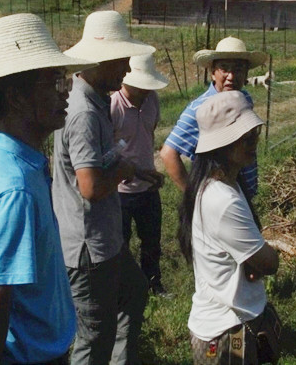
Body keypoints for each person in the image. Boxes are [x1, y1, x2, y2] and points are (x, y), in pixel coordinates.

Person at [0, 13, 95, 364]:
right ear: (16, 98)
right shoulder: (16, 189)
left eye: (64, 80)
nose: (66, 91)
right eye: (54, 82)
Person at [53, 10, 157, 365]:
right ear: (100, 60)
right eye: (121, 59)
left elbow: (96, 162)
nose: (127, 68)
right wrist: (124, 170)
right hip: (89, 247)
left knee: (134, 292)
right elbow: (91, 187)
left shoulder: (94, 101)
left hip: (104, 238)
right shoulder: (84, 112)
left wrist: (135, 168)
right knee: (95, 336)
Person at [178, 91, 279, 364]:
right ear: (222, 144)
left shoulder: (222, 183)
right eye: (246, 137)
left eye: (255, 133)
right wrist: (271, 250)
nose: (254, 141)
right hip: (227, 332)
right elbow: (269, 263)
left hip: (226, 323)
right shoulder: (222, 199)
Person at [160, 36, 267, 198]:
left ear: (246, 74)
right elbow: (168, 154)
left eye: (238, 69)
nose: (231, 76)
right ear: (213, 73)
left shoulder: (244, 98)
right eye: (224, 68)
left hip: (243, 193)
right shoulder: (201, 108)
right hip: (220, 197)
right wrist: (195, 198)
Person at [110, 53, 169, 296]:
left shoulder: (152, 100)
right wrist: (130, 171)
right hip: (121, 191)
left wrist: (148, 171)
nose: (145, 90)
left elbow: (149, 135)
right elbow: (107, 151)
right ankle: (123, 291)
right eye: (140, 86)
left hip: (148, 187)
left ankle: (153, 285)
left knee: (152, 241)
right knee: (120, 244)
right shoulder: (113, 106)